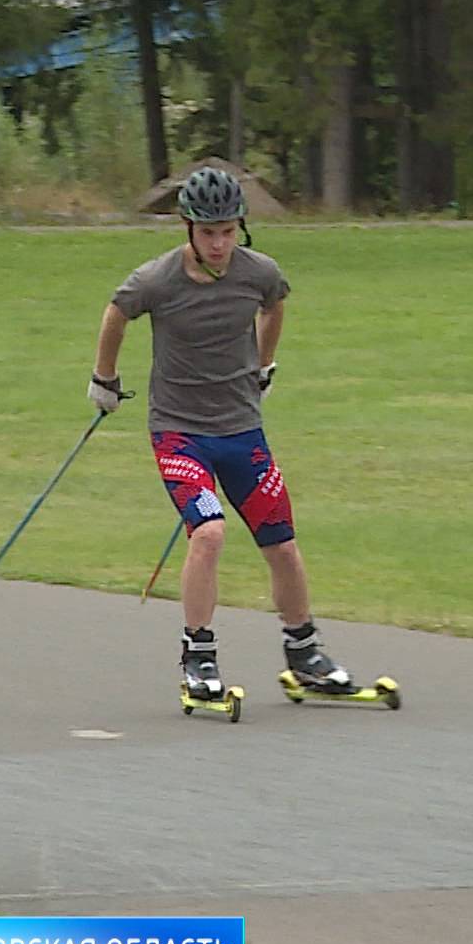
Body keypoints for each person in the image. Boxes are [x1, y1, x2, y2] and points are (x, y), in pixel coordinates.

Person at [88, 166, 358, 700]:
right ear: (187, 228)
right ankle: (199, 658)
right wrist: (105, 379)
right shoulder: (157, 280)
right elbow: (117, 313)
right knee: (208, 532)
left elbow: (275, 304)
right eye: (208, 232)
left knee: (281, 541)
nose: (219, 243)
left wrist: (265, 364)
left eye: (229, 231)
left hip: (241, 430)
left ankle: (304, 652)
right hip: (179, 432)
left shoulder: (258, 272)